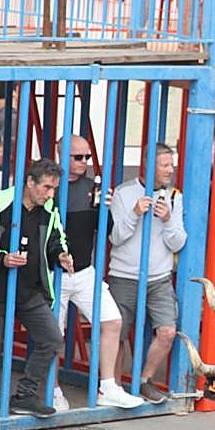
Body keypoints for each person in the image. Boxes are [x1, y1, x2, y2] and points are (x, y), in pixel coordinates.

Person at [52, 136, 144, 411]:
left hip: (84, 270)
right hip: (52, 273)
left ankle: (108, 387)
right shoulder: (51, 186)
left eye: (87, 158)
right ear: (62, 157)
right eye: (78, 157)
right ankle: (53, 389)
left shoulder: (93, 187)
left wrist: (106, 209)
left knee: (112, 321)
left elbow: (107, 231)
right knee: (54, 335)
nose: (84, 163)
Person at [0, 158, 72, 417]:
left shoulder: (49, 208)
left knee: (52, 339)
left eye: (54, 189)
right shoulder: (0, 203)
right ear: (30, 182)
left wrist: (61, 255)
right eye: (47, 187)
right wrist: (3, 258)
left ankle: (25, 395)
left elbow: (56, 239)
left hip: (30, 289)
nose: (50, 194)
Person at [109, 143, 186, 404]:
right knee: (116, 334)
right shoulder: (124, 193)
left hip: (159, 277)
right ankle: (115, 388)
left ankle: (144, 380)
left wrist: (167, 221)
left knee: (167, 332)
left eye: (171, 165)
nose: (170, 170)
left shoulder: (174, 196)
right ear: (147, 166)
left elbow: (178, 243)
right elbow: (115, 238)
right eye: (165, 165)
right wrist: (133, 214)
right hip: (124, 275)